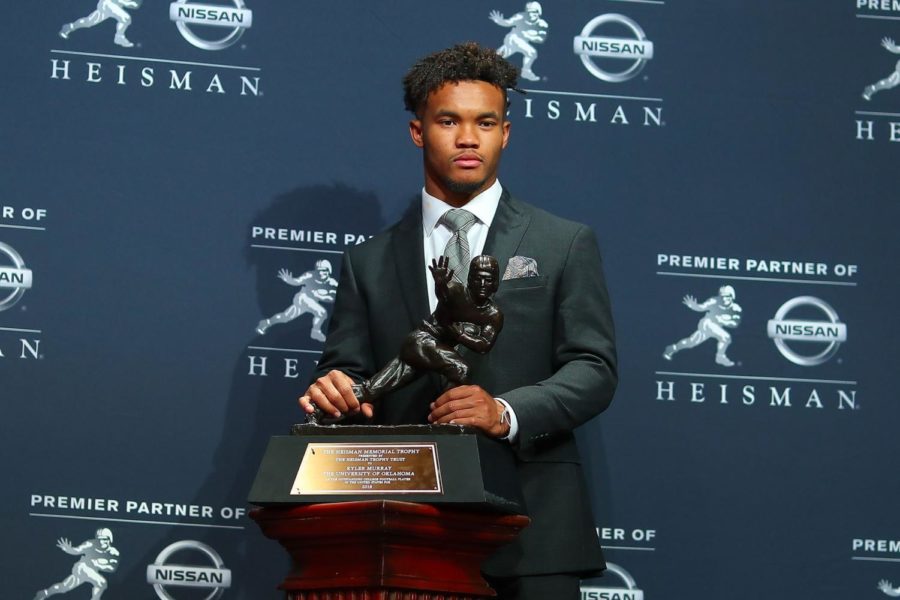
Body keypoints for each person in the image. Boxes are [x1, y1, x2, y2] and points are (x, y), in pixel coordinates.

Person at [300, 42, 617, 600]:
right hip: (404, 527)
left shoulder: (564, 242)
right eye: (449, 120)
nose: (468, 138)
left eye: (485, 122)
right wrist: (337, 390)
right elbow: (348, 372)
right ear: (418, 132)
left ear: (506, 133)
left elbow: (593, 369)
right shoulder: (367, 261)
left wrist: (504, 411)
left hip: (535, 529)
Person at [256, 259, 338, 342]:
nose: (321, 273)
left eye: (324, 271)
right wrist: (289, 280)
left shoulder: (332, 283)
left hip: (311, 302)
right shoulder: (310, 275)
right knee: (322, 312)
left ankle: (266, 322)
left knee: (285, 317)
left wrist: (321, 296)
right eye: (319, 271)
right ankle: (315, 332)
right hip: (302, 298)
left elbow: (333, 298)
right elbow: (297, 281)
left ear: (329, 271)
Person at [663, 285, 741, 367]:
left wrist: (722, 320)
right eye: (723, 296)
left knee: (691, 342)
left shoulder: (736, 309)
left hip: (716, 327)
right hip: (707, 323)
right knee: (726, 337)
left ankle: (672, 348)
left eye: (727, 296)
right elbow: (702, 307)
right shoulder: (714, 301)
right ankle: (720, 357)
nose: (725, 299)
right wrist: (694, 306)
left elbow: (735, 324)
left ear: (732, 296)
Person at [34, 528, 119, 600]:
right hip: (82, 567)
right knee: (101, 582)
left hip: (92, 571)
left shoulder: (113, 553)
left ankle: (45, 593)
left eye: (104, 539)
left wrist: (98, 564)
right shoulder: (90, 544)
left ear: (109, 539)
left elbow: (112, 568)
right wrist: (69, 549)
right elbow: (77, 550)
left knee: (64, 587)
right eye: (99, 539)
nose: (101, 542)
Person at [489, 3, 549, 82]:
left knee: (498, 56)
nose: (531, 14)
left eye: (534, 12)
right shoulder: (520, 16)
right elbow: (508, 22)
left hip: (521, 43)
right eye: (529, 12)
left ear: (539, 12)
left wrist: (528, 36)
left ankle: (525, 71)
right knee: (531, 52)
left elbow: (541, 39)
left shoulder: (542, 24)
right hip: (513, 38)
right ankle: (526, 71)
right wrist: (500, 21)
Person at [59, 0, 140, 48]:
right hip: (107, 3)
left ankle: (69, 27)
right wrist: (125, 3)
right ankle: (119, 37)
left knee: (88, 22)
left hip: (115, 6)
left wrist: (131, 4)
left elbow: (136, 5)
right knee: (126, 18)